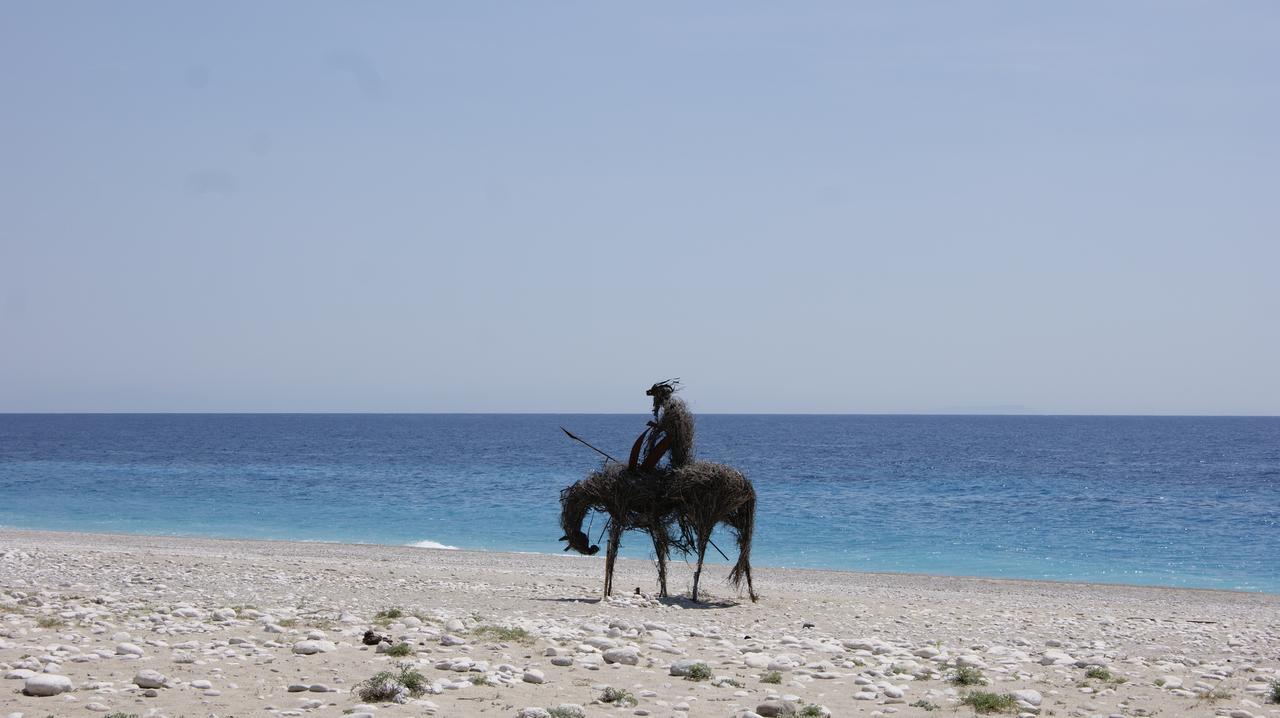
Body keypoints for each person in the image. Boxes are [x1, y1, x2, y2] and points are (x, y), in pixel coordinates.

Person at [629, 379, 695, 471]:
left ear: (660, 395)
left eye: (655, 396)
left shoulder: (671, 407)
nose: (654, 399)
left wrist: (657, 427)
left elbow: (673, 428)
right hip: (678, 442)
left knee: (679, 460)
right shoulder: (672, 406)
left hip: (678, 442)